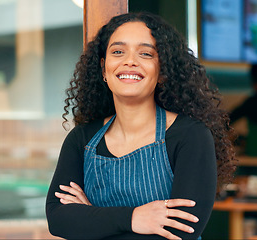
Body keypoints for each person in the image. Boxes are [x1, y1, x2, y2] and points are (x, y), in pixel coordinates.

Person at [46, 12, 236, 240]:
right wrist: (135, 218)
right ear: (104, 68)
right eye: (118, 51)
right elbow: (58, 219)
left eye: (145, 54)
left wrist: (90, 218)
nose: (130, 61)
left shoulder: (191, 136)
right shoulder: (82, 139)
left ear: (162, 71)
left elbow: (180, 232)